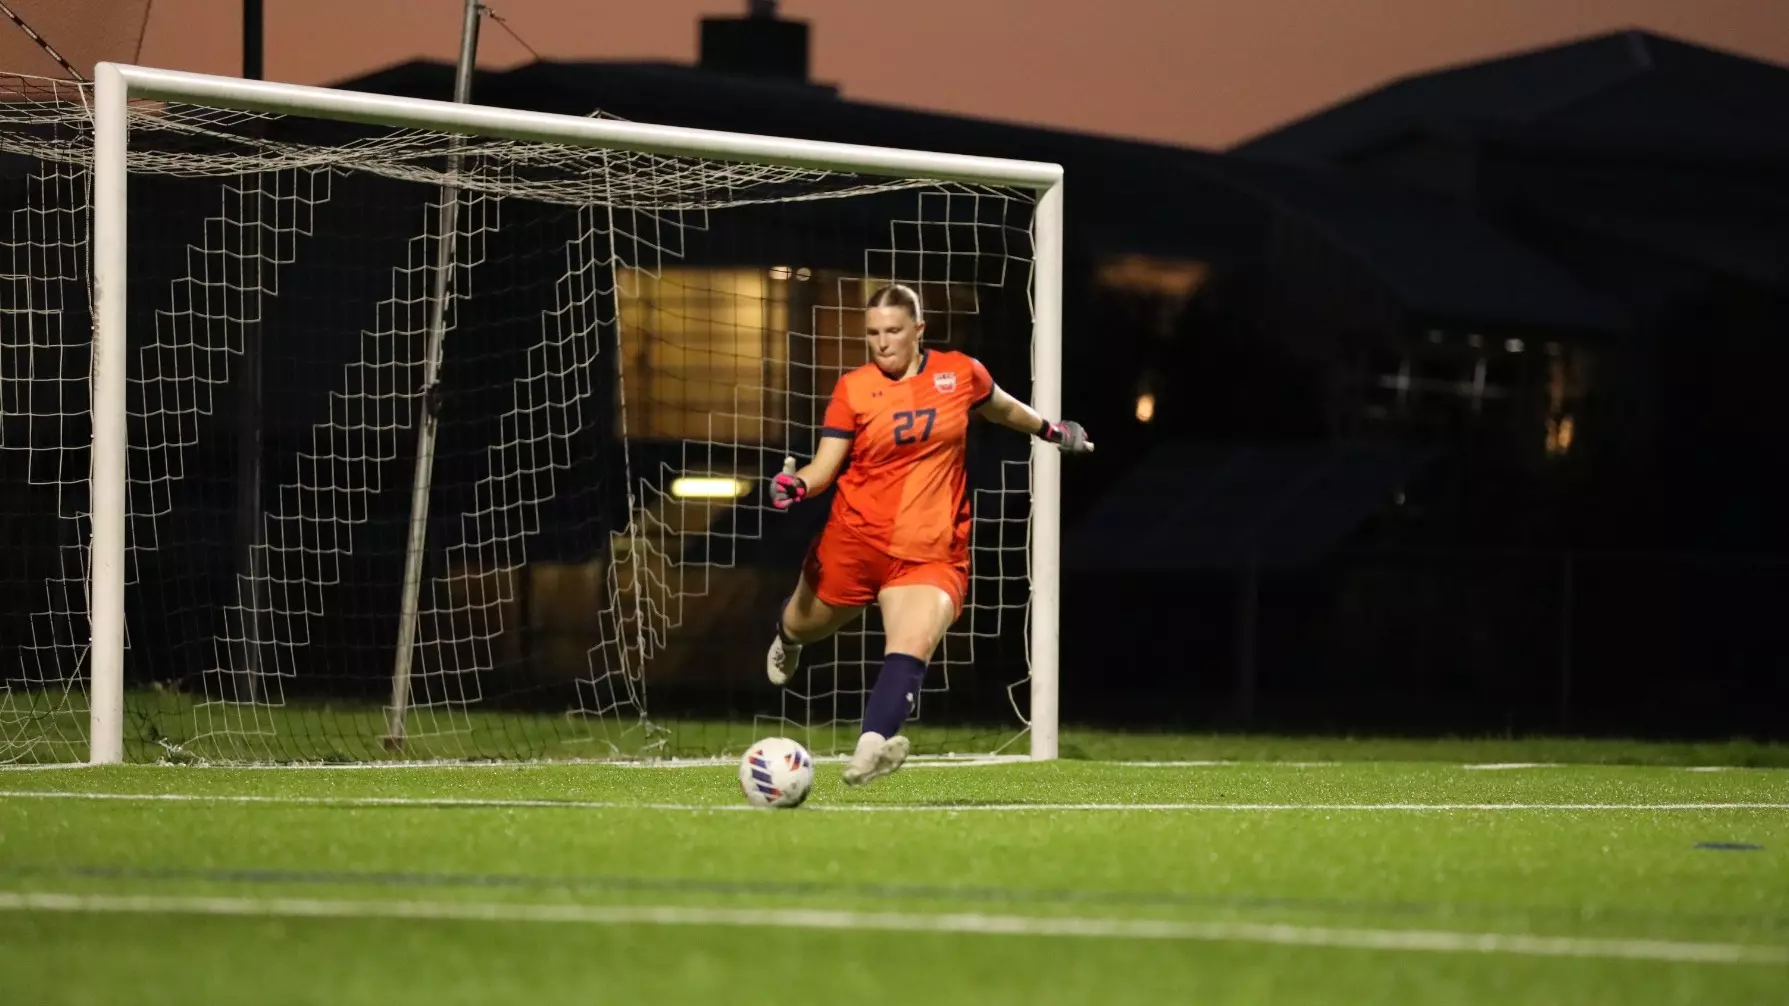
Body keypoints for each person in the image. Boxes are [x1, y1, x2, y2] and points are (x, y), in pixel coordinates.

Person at [765, 283, 1093, 786]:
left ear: (919, 330)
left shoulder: (960, 372)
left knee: (912, 644)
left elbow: (1002, 407)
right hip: (854, 541)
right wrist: (798, 484)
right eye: (873, 333)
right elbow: (825, 467)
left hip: (932, 553)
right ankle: (790, 637)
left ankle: (870, 748)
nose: (882, 342)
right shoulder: (853, 388)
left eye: (894, 331)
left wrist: (1051, 431)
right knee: (804, 624)